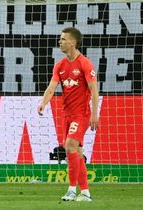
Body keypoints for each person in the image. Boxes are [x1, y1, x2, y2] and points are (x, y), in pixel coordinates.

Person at [37, 27, 99, 202]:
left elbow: (94, 90)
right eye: (60, 38)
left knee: (69, 145)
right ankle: (85, 192)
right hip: (67, 115)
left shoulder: (85, 64)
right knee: (77, 152)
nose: (60, 41)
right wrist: (43, 102)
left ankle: (71, 190)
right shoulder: (60, 65)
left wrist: (95, 114)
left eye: (63, 39)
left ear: (73, 42)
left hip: (82, 114)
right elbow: (52, 87)